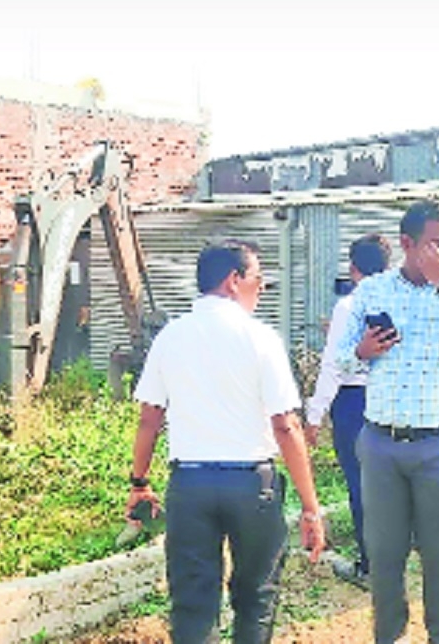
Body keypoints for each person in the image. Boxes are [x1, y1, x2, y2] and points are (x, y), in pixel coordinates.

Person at [126, 240, 326, 643]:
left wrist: (139, 483)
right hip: (252, 487)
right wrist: (310, 507)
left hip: (190, 486)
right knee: (256, 596)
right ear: (234, 281)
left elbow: (149, 419)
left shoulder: (171, 337)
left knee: (193, 601)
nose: (262, 289)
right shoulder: (260, 338)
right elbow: (285, 426)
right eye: (259, 280)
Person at [331, 200, 439, 644]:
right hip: (382, 443)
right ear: (407, 244)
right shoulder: (373, 291)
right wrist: (362, 351)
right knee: (385, 557)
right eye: (438, 245)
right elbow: (339, 356)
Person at [305, 234, 393, 588]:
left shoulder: (349, 307)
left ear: (354, 268)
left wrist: (314, 415)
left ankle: (371, 566)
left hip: (355, 402)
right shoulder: (402, 301)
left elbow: (333, 366)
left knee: (361, 484)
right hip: (395, 400)